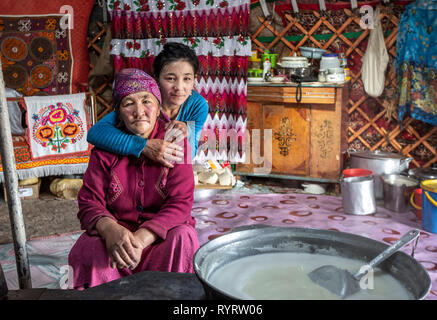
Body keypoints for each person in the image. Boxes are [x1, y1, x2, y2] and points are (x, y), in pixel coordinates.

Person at [68, 69, 199, 289]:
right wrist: (111, 230)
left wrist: (140, 240)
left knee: (183, 236)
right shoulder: (105, 150)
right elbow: (89, 202)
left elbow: (181, 203)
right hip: (116, 245)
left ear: (159, 108)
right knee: (86, 247)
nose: (139, 111)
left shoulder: (176, 142)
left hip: (159, 242)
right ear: (118, 114)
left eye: (147, 101)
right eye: (128, 103)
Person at [87, 42, 209, 166]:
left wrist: (187, 132)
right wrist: (142, 146)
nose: (179, 87)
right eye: (170, 78)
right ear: (156, 80)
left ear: (194, 80)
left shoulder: (198, 106)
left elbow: (190, 155)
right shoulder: (143, 101)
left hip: (169, 169)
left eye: (187, 79)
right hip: (133, 165)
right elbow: (95, 133)